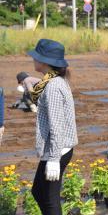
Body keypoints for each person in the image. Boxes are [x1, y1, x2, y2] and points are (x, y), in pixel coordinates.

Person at [28, 39, 78, 215]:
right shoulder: (51, 80)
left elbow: (56, 125)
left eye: (36, 57)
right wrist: (26, 79)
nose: (33, 59)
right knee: (39, 192)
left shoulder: (53, 87)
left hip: (58, 149)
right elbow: (38, 87)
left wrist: (54, 159)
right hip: (57, 147)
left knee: (49, 199)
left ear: (44, 62)